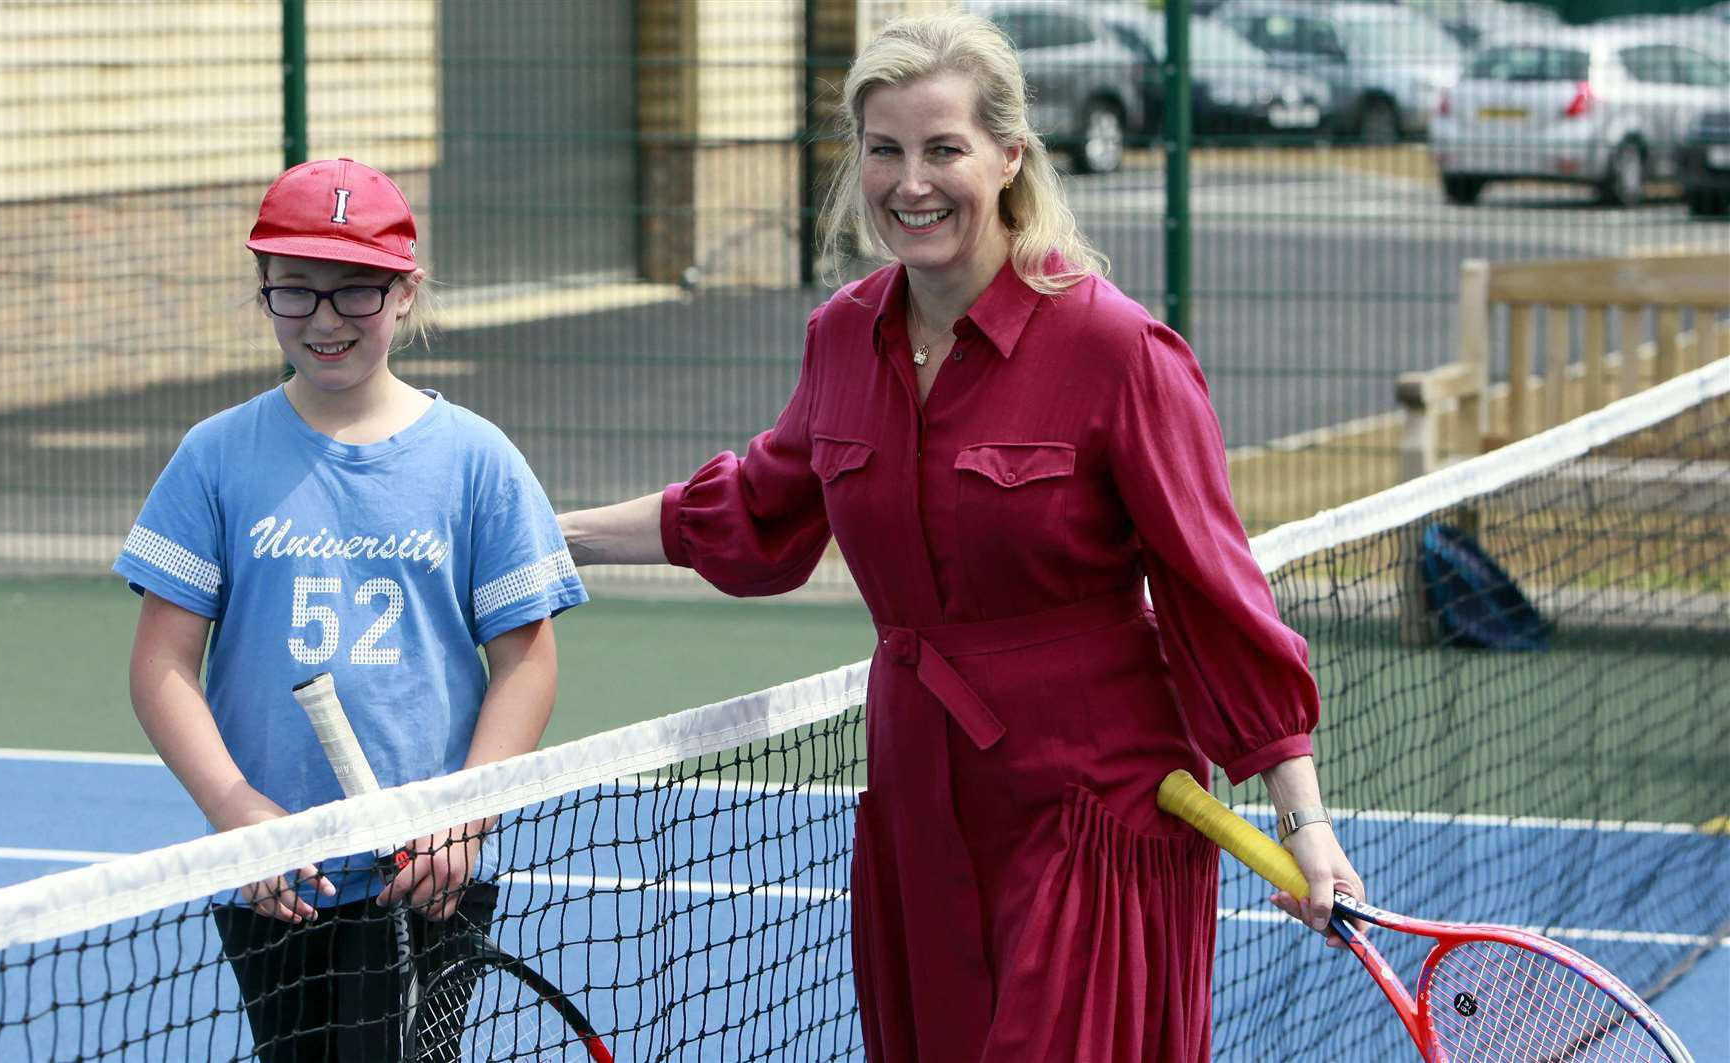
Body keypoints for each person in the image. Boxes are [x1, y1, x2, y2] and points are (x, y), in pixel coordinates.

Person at [557, 14, 1362, 1063]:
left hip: (1095, 806)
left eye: (944, 149)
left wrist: (1305, 823)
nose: (911, 182)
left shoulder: (1116, 348)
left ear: (1008, 157)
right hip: (918, 800)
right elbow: (757, 509)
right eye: (885, 150)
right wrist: (552, 532)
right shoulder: (843, 334)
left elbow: (1216, 592)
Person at [115, 157, 587, 1061]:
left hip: (427, 877)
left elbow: (526, 664)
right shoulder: (214, 457)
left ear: (405, 294)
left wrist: (463, 817)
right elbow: (160, 664)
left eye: (356, 292)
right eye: (296, 292)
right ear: (264, 293)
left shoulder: (478, 461)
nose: (325, 320)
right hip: (273, 879)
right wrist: (237, 810)